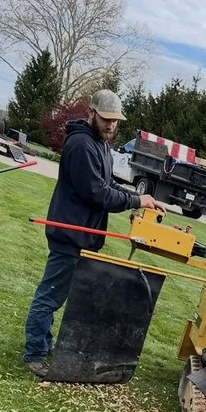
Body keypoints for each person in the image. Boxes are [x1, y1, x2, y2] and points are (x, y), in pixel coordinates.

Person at [23, 89, 167, 377]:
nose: (111, 126)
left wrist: (142, 201)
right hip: (70, 233)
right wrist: (135, 200)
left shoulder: (100, 144)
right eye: (106, 119)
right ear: (91, 113)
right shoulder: (81, 145)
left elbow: (109, 184)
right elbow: (97, 193)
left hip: (84, 235)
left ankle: (45, 343)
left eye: (115, 121)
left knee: (60, 295)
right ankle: (35, 354)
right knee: (49, 296)